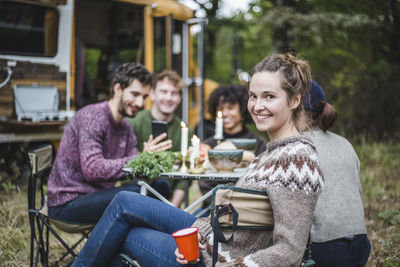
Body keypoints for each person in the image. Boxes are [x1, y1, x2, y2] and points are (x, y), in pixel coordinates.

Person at [71, 53, 324, 267]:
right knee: (125, 201)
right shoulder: (273, 152)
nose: (257, 105)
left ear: (294, 100)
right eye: (253, 96)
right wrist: (200, 233)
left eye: (269, 96)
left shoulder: (298, 160)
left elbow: (290, 251)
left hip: (219, 258)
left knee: (123, 234)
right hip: (215, 238)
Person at [47, 62, 173, 225]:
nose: (140, 103)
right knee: (137, 193)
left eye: (144, 97)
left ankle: (141, 245)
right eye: (135, 94)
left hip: (99, 196)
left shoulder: (125, 127)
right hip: (68, 201)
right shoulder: (92, 117)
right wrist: (142, 159)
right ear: (118, 89)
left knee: (160, 187)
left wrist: (151, 160)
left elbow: (134, 169)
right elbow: (92, 169)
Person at [304, 80, 371, 267]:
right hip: (360, 245)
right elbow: (356, 190)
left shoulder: (298, 145)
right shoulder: (344, 142)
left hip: (325, 248)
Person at [127, 70, 194, 207]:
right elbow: (125, 168)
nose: (169, 98)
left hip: (169, 201)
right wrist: (144, 156)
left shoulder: (185, 131)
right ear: (152, 94)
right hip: (135, 196)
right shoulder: (134, 123)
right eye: (163, 91)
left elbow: (185, 180)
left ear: (180, 98)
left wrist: (172, 209)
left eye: (174, 93)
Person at [198, 85, 267, 210]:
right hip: (211, 208)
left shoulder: (258, 143)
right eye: (220, 109)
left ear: (242, 110)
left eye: (230, 108)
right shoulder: (209, 144)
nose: (225, 113)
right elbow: (203, 182)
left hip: (248, 208)